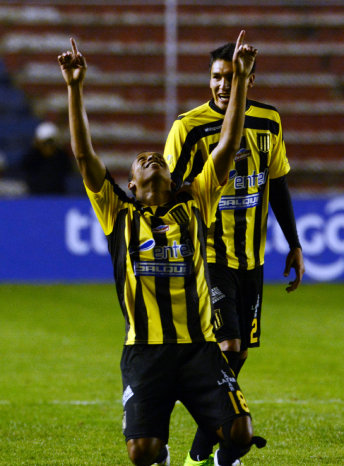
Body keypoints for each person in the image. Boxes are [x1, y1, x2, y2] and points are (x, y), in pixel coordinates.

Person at [58, 33, 266, 466]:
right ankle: (162, 448)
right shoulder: (117, 214)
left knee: (240, 433)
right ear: (131, 184)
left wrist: (241, 81)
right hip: (145, 351)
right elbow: (83, 155)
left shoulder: (196, 204)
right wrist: (74, 88)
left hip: (199, 348)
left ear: (173, 179)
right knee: (142, 453)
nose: (152, 158)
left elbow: (226, 148)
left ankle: (219, 456)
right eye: (142, 159)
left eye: (160, 159)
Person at [163, 40, 305, 465]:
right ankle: (225, 449)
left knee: (238, 354)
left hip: (251, 260)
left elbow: (276, 183)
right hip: (207, 258)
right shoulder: (188, 128)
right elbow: (167, 192)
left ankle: (200, 453)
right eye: (216, 77)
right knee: (228, 347)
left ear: (249, 78)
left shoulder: (269, 121)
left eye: (231, 76)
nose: (222, 84)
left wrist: (295, 243)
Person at [21, 121, 73, 194]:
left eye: (50, 142)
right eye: (45, 142)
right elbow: (24, 167)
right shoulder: (32, 156)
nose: (48, 145)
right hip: (35, 196)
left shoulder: (62, 156)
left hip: (58, 196)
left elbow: (68, 171)